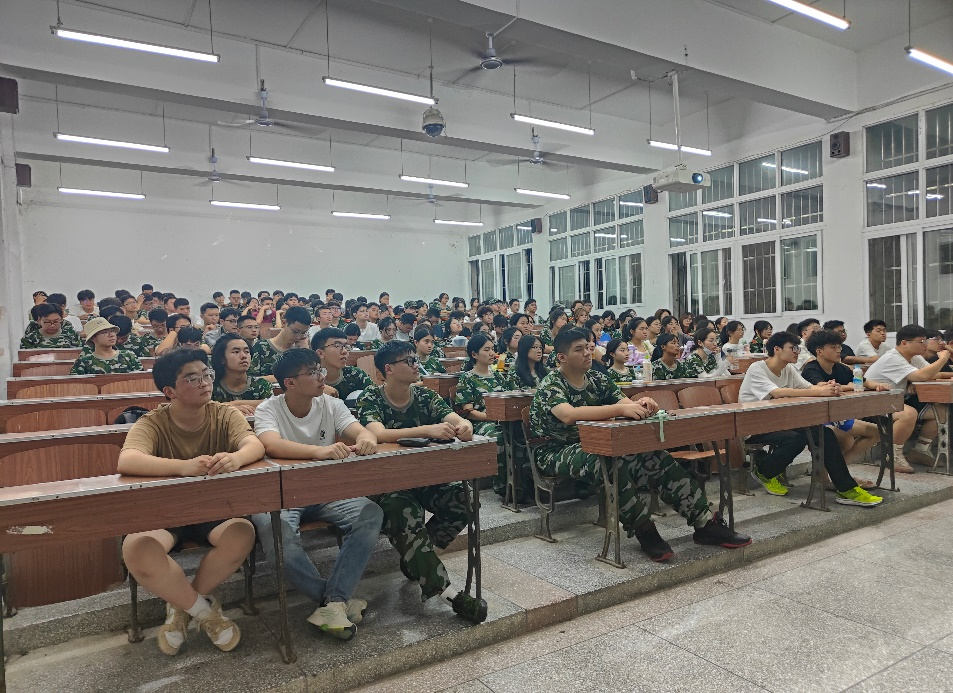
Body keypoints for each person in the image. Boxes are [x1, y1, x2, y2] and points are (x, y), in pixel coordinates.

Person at [530, 328, 751, 562]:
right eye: (579, 349)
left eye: (587, 347)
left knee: (656, 456)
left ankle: (705, 523)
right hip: (555, 451)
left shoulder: (597, 378)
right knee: (605, 461)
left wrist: (643, 404)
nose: (587, 353)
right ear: (561, 357)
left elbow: (625, 403)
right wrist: (620, 409)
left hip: (599, 443)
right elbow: (568, 415)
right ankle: (643, 528)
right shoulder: (551, 384)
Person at [119, 349, 264, 656]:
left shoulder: (224, 414)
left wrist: (236, 459)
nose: (205, 382)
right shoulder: (153, 422)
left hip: (214, 507)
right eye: (192, 378)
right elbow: (127, 459)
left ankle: (181, 607)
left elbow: (254, 444)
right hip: (165, 511)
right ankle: (205, 613)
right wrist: (182, 467)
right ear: (170, 391)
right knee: (136, 547)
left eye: (207, 375)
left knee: (241, 533)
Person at [250, 349, 382, 640]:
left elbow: (359, 431)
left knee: (370, 513)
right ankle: (336, 601)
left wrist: (366, 439)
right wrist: (318, 452)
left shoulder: (331, 404)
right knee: (277, 534)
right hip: (281, 493)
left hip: (325, 489)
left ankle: (333, 603)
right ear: (290, 383)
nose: (322, 376)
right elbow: (271, 444)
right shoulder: (268, 409)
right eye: (312, 372)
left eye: (319, 370)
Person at [355, 341, 487, 623]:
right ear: (389, 369)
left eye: (415, 359)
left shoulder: (425, 395)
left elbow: (456, 420)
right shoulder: (370, 398)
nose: (416, 365)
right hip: (387, 484)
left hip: (425, 477)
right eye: (409, 361)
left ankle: (415, 557)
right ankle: (449, 594)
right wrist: (427, 430)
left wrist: (464, 427)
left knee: (464, 499)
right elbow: (377, 433)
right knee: (405, 511)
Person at [738, 331, 883, 506]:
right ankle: (764, 471)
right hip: (754, 426)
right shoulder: (757, 368)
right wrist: (820, 391)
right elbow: (778, 393)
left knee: (825, 433)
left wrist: (828, 387)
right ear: (777, 349)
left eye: (798, 348)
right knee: (797, 438)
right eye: (793, 348)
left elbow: (808, 387)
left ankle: (846, 489)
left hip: (781, 422)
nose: (797, 352)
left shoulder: (788, 369)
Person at [865, 323, 953, 471]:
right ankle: (892, 455)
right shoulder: (893, 358)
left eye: (925, 341)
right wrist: (943, 359)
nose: (925, 345)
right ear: (904, 343)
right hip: (874, 401)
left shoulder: (913, 357)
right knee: (908, 414)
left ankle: (920, 451)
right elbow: (922, 376)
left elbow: (931, 373)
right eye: (921, 342)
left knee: (939, 411)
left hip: (894, 399)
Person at [802, 330, 886, 475]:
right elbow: (823, 388)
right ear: (819, 351)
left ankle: (840, 470)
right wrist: (849, 386)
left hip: (836, 417)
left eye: (839, 347)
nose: (839, 351)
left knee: (876, 432)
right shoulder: (811, 369)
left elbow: (863, 382)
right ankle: (830, 475)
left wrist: (879, 385)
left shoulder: (840, 367)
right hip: (816, 419)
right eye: (833, 347)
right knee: (843, 439)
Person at [455, 333, 513, 496]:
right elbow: (468, 412)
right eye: (486, 350)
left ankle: (521, 482)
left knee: (520, 433)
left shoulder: (498, 376)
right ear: (474, 354)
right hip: (482, 423)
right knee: (499, 437)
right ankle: (502, 484)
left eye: (492, 349)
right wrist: (492, 416)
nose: (491, 353)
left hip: (502, 419)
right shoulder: (467, 378)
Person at [210, 334, 274, 415]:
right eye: (236, 352)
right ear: (222, 359)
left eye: (247, 352)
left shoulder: (262, 385)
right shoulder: (211, 388)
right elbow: (205, 410)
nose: (244, 356)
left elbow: (271, 405)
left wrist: (233, 404)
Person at [311, 328, 374, 402]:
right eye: (337, 345)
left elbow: (376, 397)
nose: (344, 351)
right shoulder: (309, 379)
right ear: (320, 353)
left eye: (346, 346)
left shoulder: (356, 375)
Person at [250, 306, 313, 380]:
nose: (298, 337)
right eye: (295, 331)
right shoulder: (261, 347)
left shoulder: (301, 347)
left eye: (303, 333)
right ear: (284, 323)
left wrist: (305, 352)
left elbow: (310, 376)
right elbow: (250, 379)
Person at [70, 317, 143, 374]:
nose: (111, 335)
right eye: (104, 332)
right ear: (93, 338)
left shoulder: (129, 356)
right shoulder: (83, 362)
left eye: (112, 331)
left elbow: (141, 381)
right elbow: (76, 386)